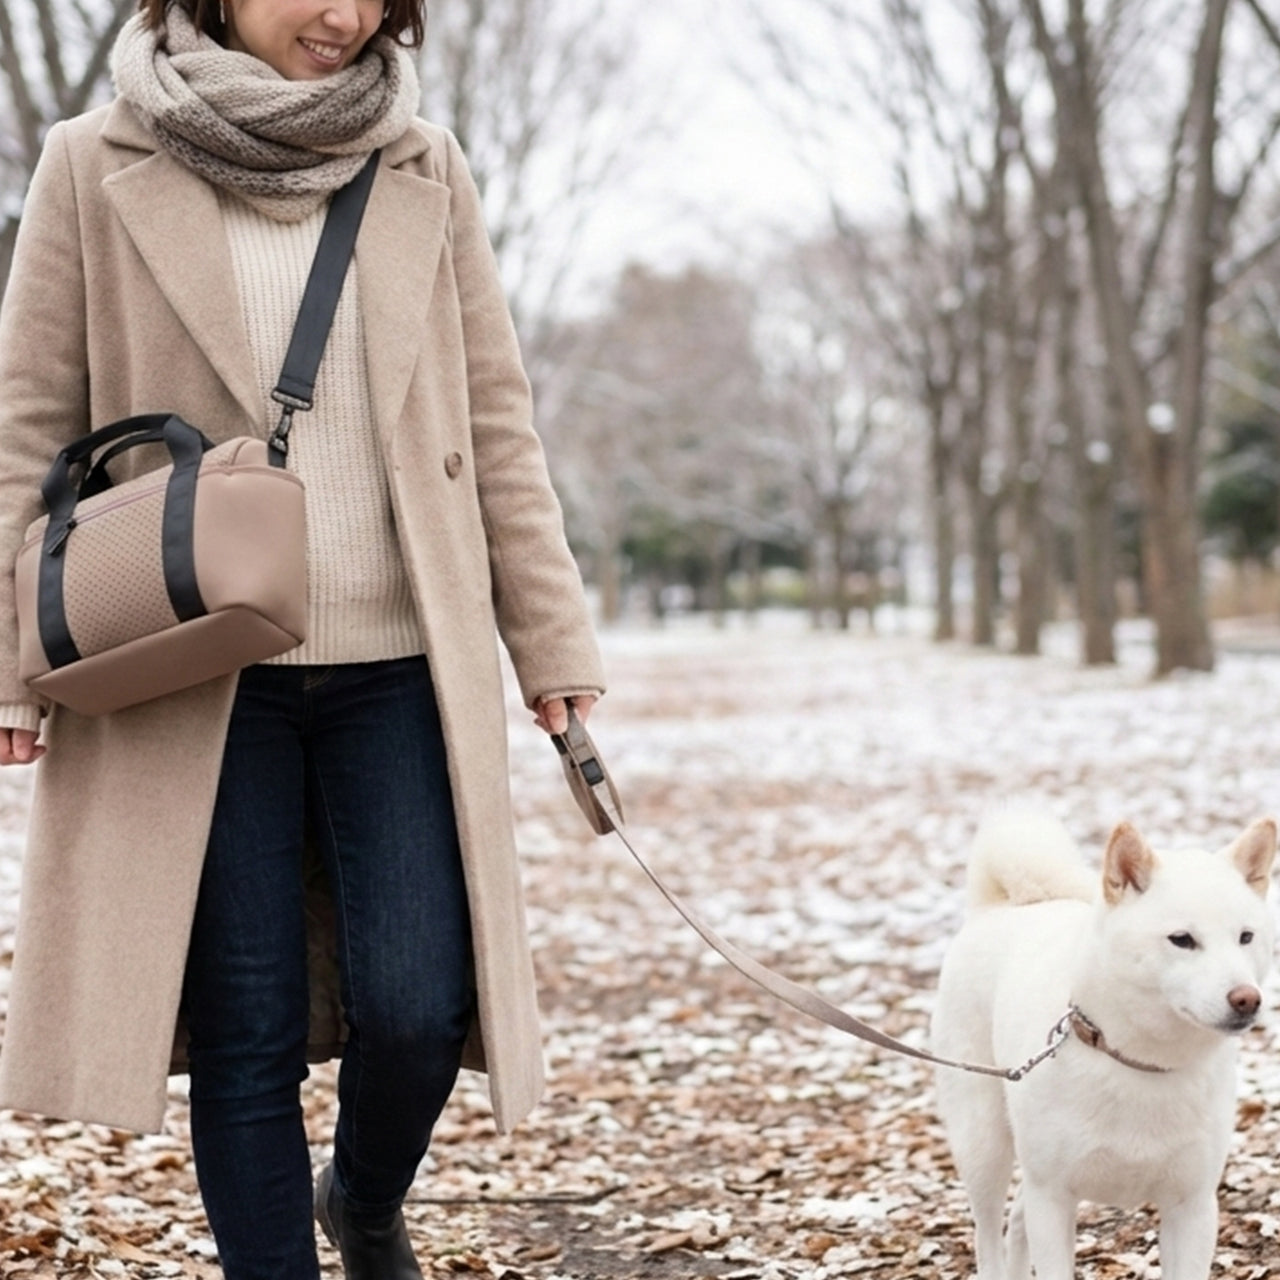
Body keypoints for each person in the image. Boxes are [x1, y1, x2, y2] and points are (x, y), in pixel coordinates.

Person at [0, 2, 605, 1278]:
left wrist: (547, 639)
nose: (345, 14)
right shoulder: (93, 161)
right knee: (246, 1024)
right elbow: (26, 424)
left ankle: (364, 1197)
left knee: (417, 1005)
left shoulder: (417, 162)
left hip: (398, 664)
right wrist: (13, 656)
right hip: (186, 665)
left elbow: (496, 423)